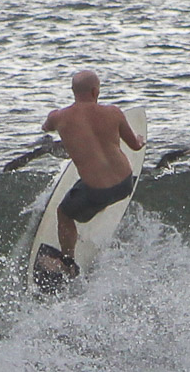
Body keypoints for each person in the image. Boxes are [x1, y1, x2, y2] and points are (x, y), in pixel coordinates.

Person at [42, 70, 145, 276]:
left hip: (96, 191)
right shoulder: (114, 113)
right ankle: (91, 214)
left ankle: (67, 262)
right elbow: (135, 146)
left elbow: (46, 128)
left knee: (63, 213)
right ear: (95, 91)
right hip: (125, 184)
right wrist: (141, 139)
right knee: (91, 191)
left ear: (73, 91)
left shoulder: (59, 117)